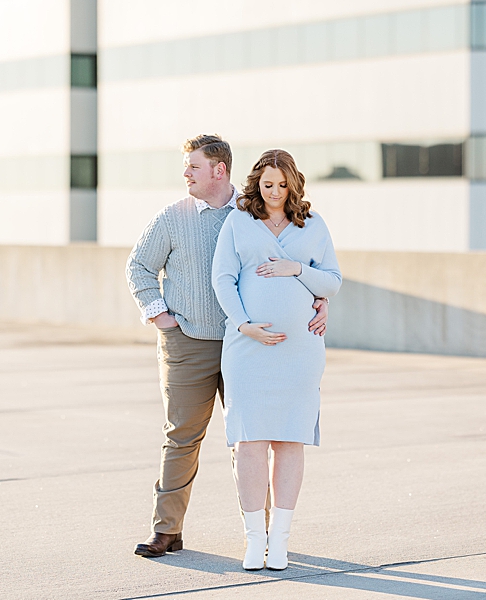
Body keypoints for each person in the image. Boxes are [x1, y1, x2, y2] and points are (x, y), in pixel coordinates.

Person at [126, 135, 329, 558]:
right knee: (182, 437)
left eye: (193, 167)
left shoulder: (251, 210)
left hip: (254, 348)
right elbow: (138, 266)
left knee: (251, 438)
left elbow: (304, 262)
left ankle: (265, 534)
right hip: (192, 343)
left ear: (219, 170)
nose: (185, 174)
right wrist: (162, 317)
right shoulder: (172, 218)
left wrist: (318, 298)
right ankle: (167, 530)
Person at [211, 149, 342, 571]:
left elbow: (333, 281)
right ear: (257, 184)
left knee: (289, 440)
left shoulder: (313, 225)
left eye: (282, 185)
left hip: (299, 351)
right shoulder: (239, 222)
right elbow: (222, 277)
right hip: (248, 349)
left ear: (293, 185)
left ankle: (280, 541)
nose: (274, 192)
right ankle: (254, 541)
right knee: (249, 442)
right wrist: (243, 323)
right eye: (267, 185)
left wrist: (296, 270)